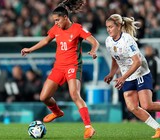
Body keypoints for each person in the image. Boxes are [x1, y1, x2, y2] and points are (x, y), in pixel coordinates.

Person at [21, 0, 99, 139]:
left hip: (73, 66)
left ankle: (88, 127)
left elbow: (95, 42)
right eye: (54, 20)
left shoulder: (77, 28)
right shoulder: (56, 29)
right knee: (44, 97)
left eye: (57, 20)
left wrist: (93, 51)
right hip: (58, 67)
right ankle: (57, 112)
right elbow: (45, 41)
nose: (56, 23)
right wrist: (30, 49)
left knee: (74, 94)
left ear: (65, 17)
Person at [104, 14, 160, 139]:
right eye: (107, 27)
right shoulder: (108, 41)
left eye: (111, 27)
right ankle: (159, 128)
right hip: (127, 76)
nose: (108, 29)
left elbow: (137, 62)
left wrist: (122, 77)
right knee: (132, 107)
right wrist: (111, 73)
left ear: (119, 26)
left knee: (147, 105)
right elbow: (114, 59)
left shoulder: (127, 39)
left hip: (140, 72)